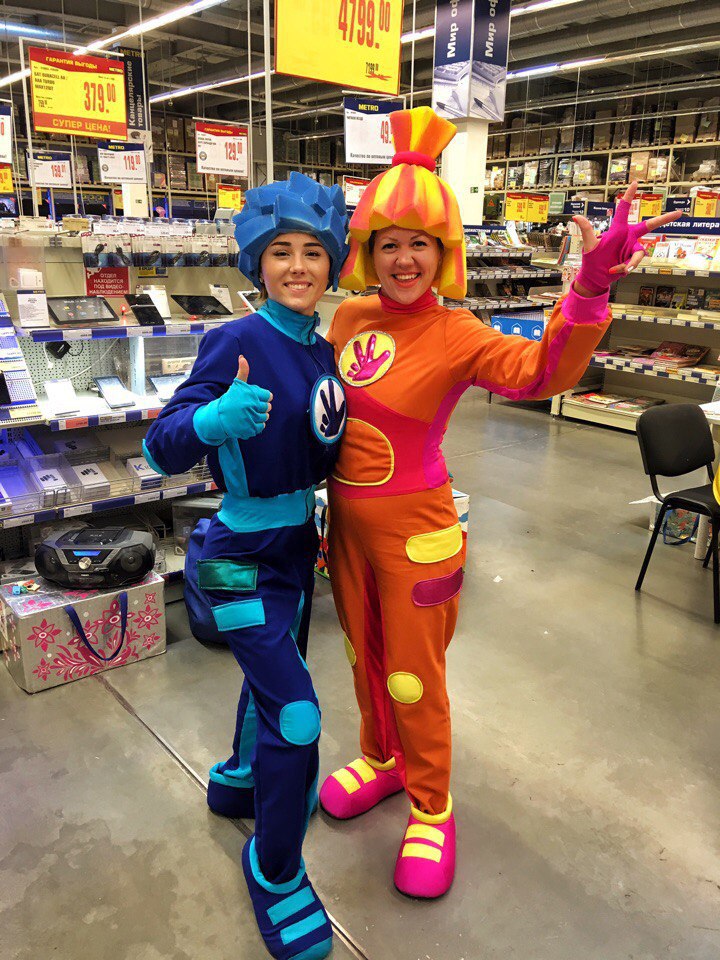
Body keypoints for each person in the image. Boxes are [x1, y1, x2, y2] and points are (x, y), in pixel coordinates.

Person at [318, 106, 681, 900]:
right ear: (368, 248)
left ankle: (431, 806)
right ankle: (381, 758)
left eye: (420, 243)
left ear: (444, 251)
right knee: (361, 654)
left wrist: (588, 289)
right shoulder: (348, 317)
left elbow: (543, 373)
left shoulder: (458, 333)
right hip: (345, 527)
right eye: (390, 242)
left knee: (413, 674)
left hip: (416, 533)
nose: (404, 258)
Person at [143, 171, 348, 960]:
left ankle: (238, 776)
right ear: (258, 262)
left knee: (273, 678)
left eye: (313, 252)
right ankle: (275, 868)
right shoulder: (237, 341)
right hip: (235, 558)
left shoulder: (323, 348)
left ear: (332, 264)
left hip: (296, 550)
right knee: (297, 714)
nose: (298, 266)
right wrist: (211, 419)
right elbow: (160, 447)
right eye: (281, 251)